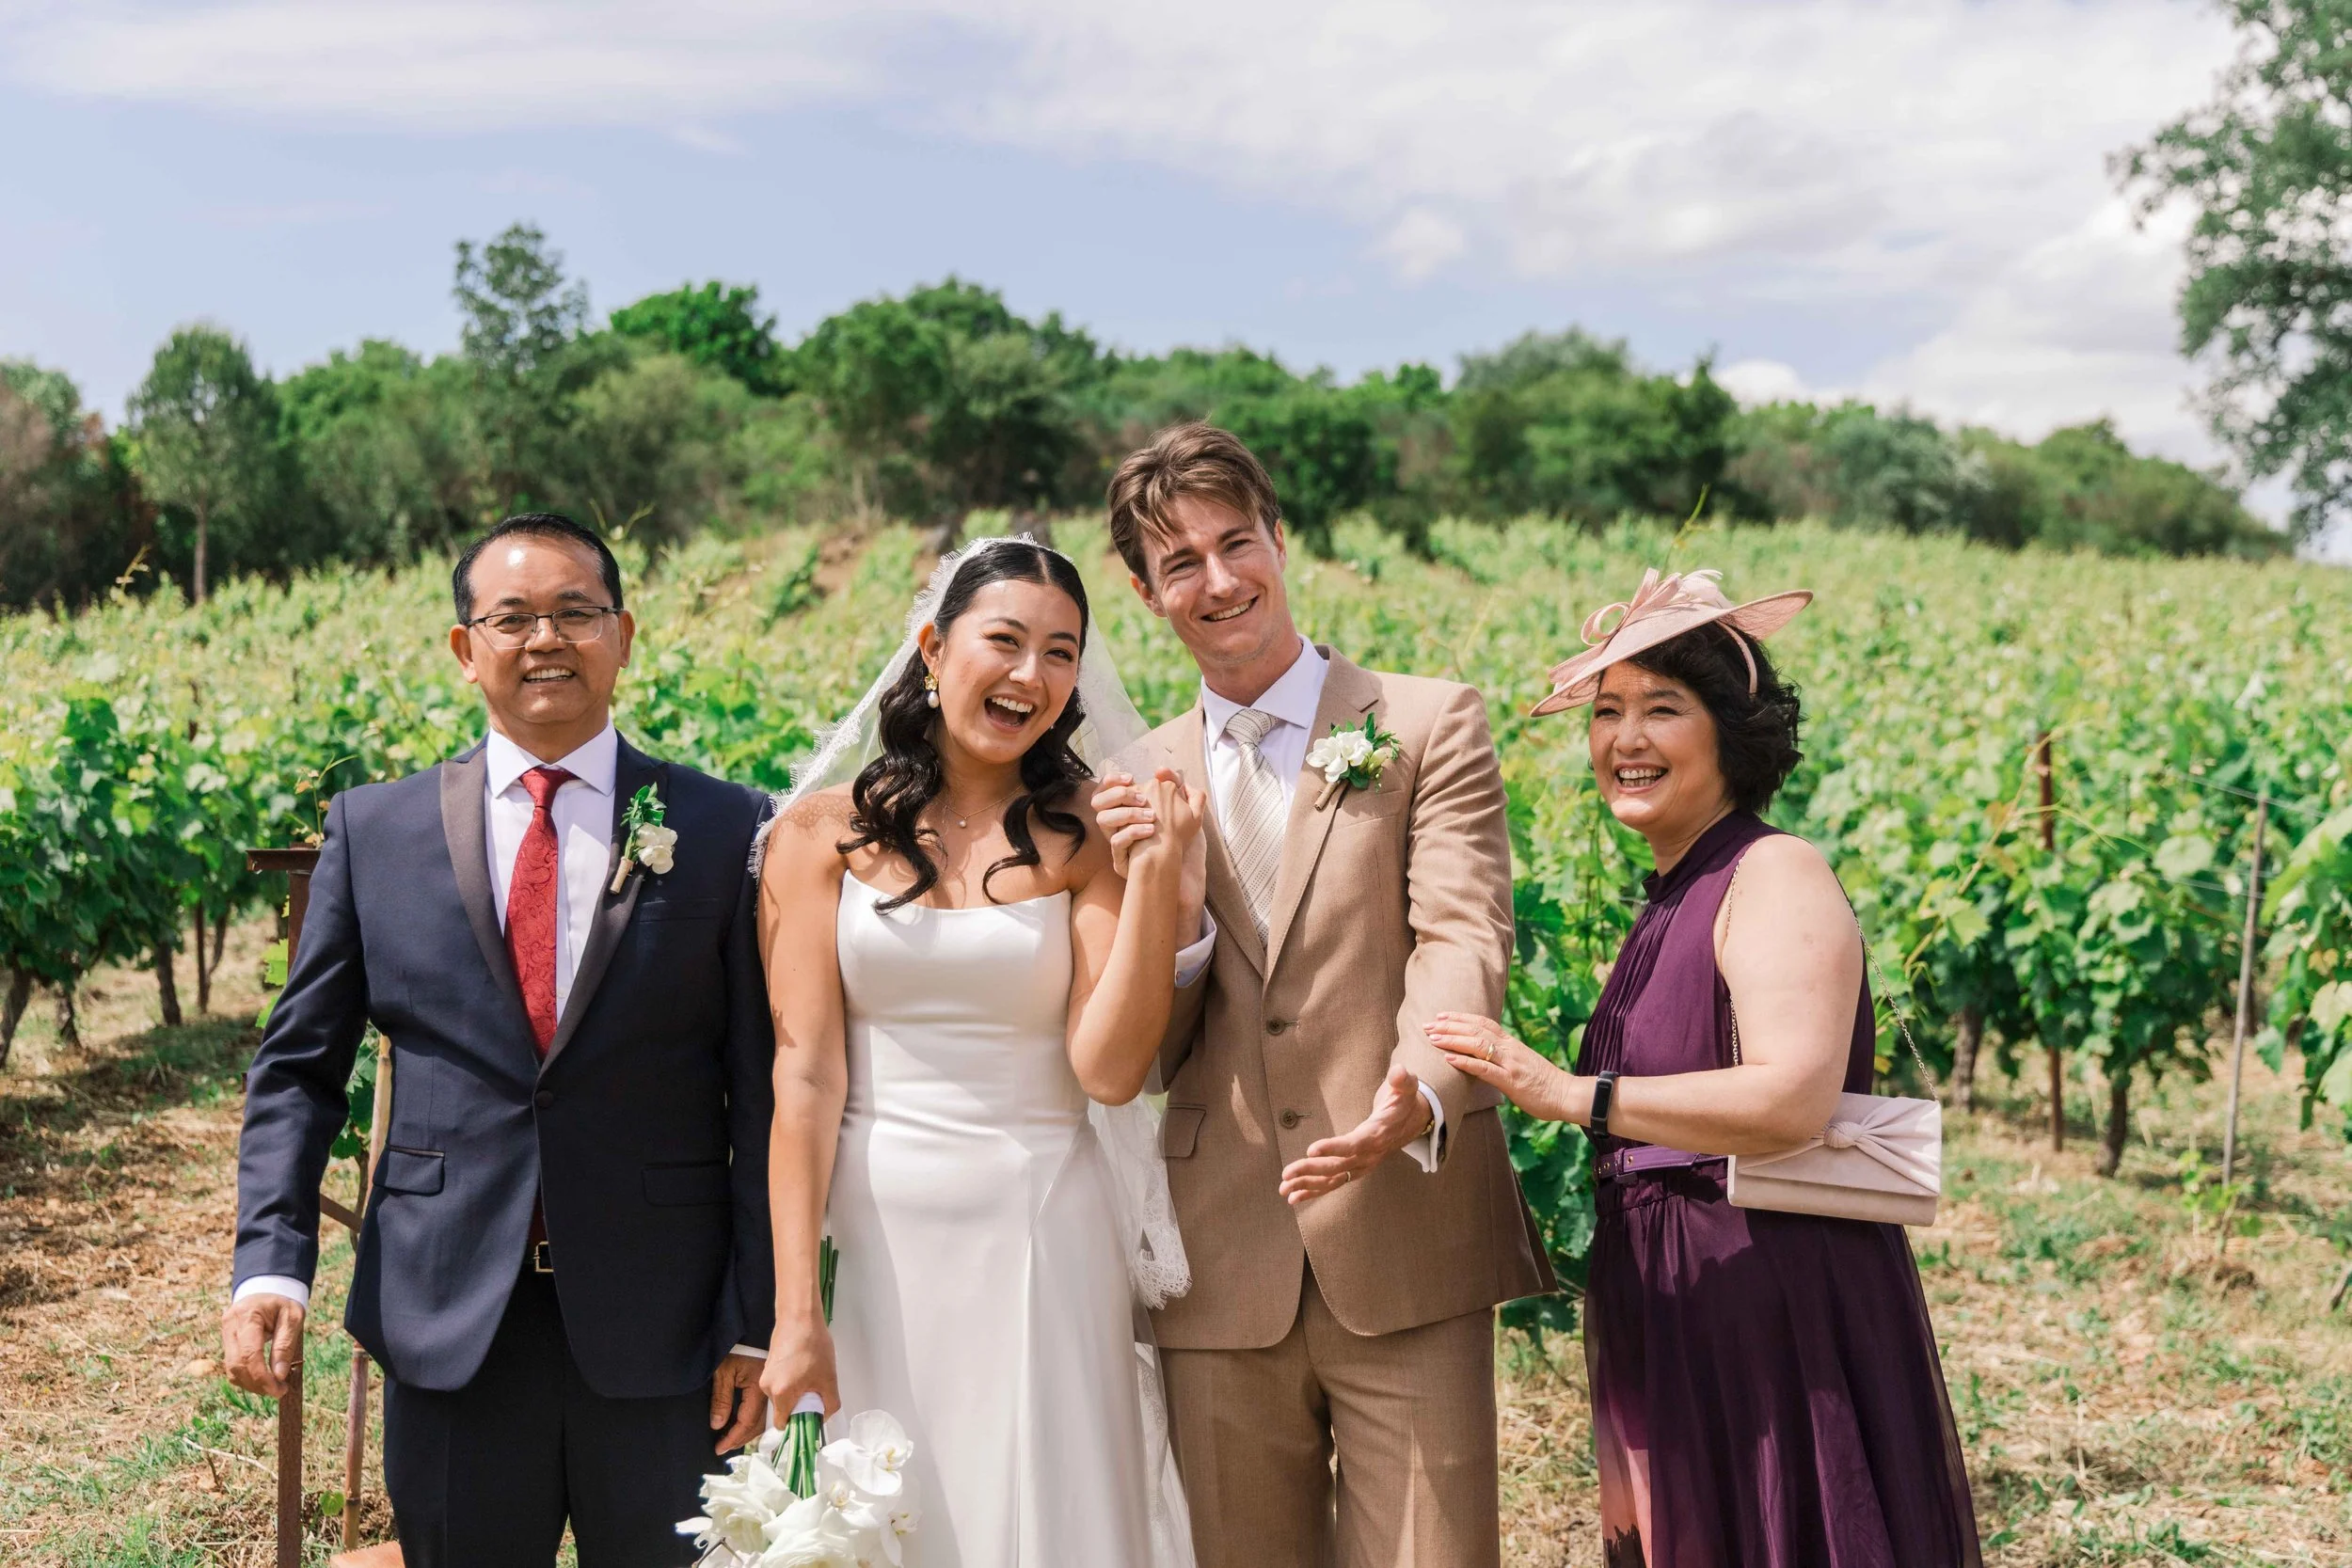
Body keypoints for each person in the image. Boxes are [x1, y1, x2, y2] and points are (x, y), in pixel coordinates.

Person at [223, 513, 776, 1568]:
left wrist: (756, 1315)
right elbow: (300, 1069)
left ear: (624, 633)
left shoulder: (718, 826)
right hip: (446, 1318)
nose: (546, 638)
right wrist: (271, 1266)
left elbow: (760, 1087)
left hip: (663, 1325)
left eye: (576, 611)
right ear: (463, 646)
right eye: (512, 615)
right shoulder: (372, 830)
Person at [1422, 567, 1981, 1568]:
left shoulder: (1771, 871)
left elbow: (1793, 1093)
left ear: (1730, 731)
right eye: (1606, 711)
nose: (1624, 738)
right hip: (1675, 1289)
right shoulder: (1674, 893)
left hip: (1771, 1297)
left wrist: (1571, 1093)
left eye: (1661, 708)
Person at [1089, 422, 1554, 1568]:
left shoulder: (1426, 721)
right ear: (1144, 593)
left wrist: (1422, 1082)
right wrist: (1173, 910)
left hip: (1404, 1215)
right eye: (1179, 562)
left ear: (1279, 539)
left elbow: (1462, 933)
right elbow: (1142, 1043)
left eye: (1234, 541)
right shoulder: (1127, 778)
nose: (1218, 579)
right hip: (1214, 1251)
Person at [757, 536, 1205, 1568]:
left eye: (1061, 652)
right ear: (931, 647)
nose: (1029, 675)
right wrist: (793, 1312)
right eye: (1002, 640)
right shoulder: (817, 836)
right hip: (871, 1234)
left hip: (1044, 1223)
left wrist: (1153, 877)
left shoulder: (1089, 829)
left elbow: (1106, 1069)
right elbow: (806, 1076)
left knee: (1042, 1507)